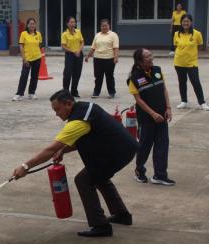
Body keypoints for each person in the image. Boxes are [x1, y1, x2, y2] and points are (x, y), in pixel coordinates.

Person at [12, 90, 138, 237]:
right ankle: (122, 215)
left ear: (69, 104)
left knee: (84, 180)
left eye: (57, 109)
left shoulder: (78, 121)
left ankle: (100, 225)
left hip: (116, 152)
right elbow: (84, 137)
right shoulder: (85, 109)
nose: (57, 114)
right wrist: (63, 151)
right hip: (122, 147)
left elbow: (50, 149)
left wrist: (25, 167)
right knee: (98, 177)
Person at [128, 48, 175, 186]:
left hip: (162, 115)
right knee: (144, 146)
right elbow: (138, 100)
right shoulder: (134, 78)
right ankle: (139, 171)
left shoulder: (157, 70)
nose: (151, 58)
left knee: (162, 144)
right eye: (148, 56)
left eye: (151, 55)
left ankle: (160, 175)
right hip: (147, 118)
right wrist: (152, 113)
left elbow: (164, 89)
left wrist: (168, 108)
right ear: (140, 61)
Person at [173, 14, 209, 111]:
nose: (185, 23)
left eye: (187, 21)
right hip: (179, 62)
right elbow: (176, 46)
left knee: (196, 82)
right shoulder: (177, 34)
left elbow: (200, 46)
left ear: (191, 22)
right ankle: (184, 101)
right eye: (184, 21)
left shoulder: (197, 34)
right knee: (182, 82)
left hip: (191, 63)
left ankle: (202, 103)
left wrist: (191, 54)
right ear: (181, 22)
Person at [85, 19, 119, 99]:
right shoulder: (97, 35)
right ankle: (96, 92)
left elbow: (116, 47)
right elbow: (93, 47)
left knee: (109, 76)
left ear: (109, 26)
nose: (104, 27)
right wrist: (88, 56)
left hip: (109, 59)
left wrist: (116, 57)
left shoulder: (113, 35)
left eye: (106, 25)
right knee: (98, 76)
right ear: (100, 26)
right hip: (97, 59)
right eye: (102, 26)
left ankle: (111, 92)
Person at [12, 18, 42, 101]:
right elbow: (21, 47)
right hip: (27, 59)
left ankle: (31, 93)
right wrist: (24, 58)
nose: (32, 25)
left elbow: (39, 45)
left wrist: (36, 53)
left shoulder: (38, 34)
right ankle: (19, 94)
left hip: (37, 58)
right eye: (30, 24)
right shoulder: (23, 34)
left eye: (33, 24)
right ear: (27, 25)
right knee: (24, 76)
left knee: (34, 76)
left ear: (35, 25)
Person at [61, 16, 84, 98]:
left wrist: (78, 51)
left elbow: (82, 42)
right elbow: (63, 46)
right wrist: (73, 51)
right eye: (71, 22)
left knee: (77, 74)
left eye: (74, 22)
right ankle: (66, 92)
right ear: (67, 24)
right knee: (67, 74)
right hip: (69, 55)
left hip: (79, 55)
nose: (72, 23)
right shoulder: (64, 34)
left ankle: (74, 91)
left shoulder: (78, 32)